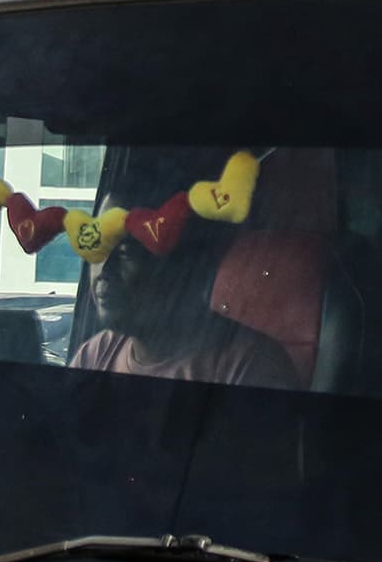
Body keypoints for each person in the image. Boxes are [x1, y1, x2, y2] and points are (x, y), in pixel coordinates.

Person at [70, 156, 300, 389]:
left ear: (180, 265)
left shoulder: (249, 366)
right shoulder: (94, 355)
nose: (103, 270)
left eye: (127, 251)